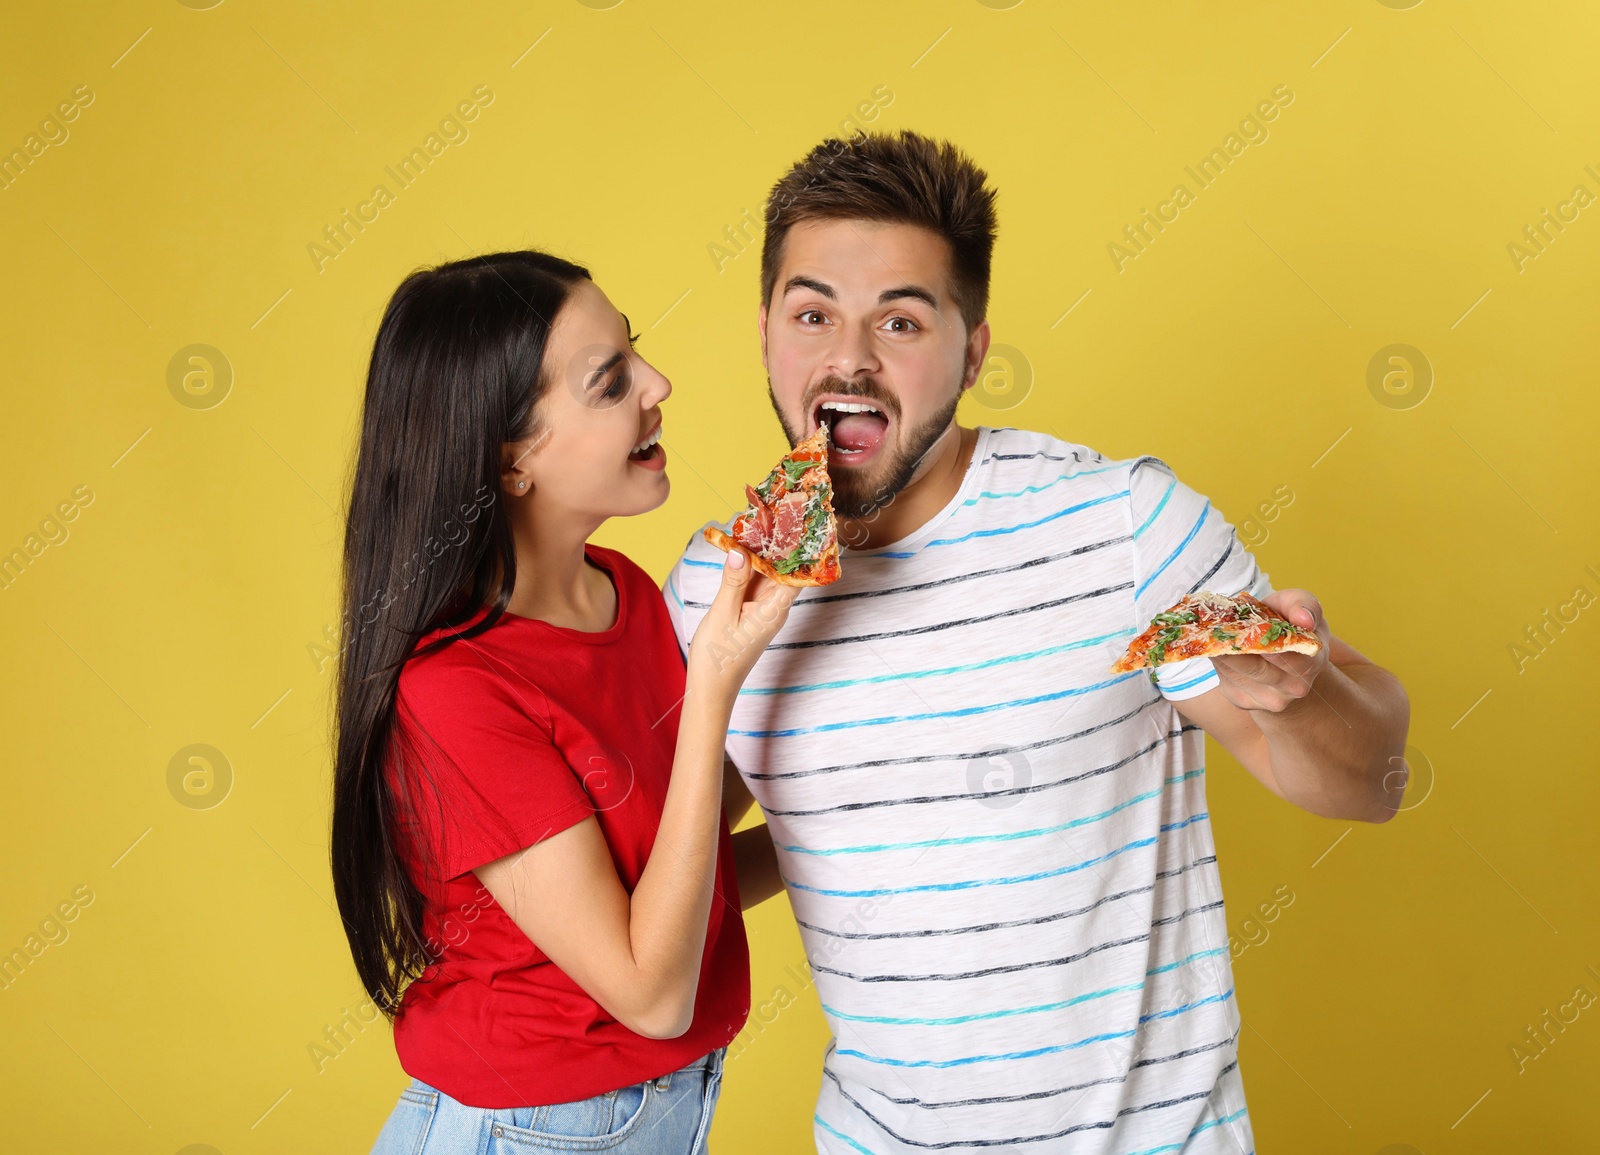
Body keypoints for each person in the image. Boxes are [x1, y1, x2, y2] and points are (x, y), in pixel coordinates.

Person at [666, 131, 1412, 1154]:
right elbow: (670, 878)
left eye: (900, 319)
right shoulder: (717, 591)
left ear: (972, 350)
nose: (849, 357)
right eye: (813, 315)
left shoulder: (1124, 525)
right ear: (764, 335)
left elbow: (1369, 786)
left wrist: (1302, 690)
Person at [329, 250, 798, 1154]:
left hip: (643, 1118)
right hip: (525, 1128)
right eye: (610, 379)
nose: (659, 383)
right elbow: (652, 992)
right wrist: (712, 688)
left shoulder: (618, 589)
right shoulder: (456, 695)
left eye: (638, 351)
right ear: (511, 459)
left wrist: (859, 808)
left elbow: (677, 881)